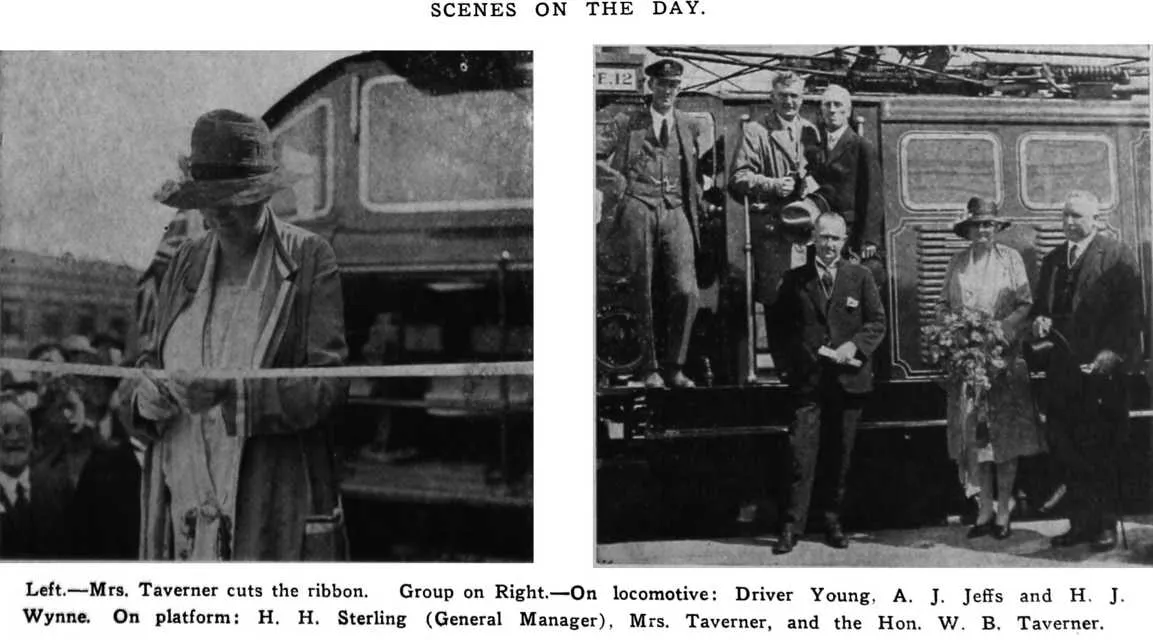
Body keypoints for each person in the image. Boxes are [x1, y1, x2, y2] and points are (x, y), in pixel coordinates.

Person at [122, 108, 349, 561]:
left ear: (263, 193)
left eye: (233, 197)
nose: (217, 212)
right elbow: (150, 361)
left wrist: (233, 394)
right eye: (206, 197)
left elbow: (329, 385)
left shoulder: (308, 259)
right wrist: (147, 395)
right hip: (184, 502)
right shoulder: (184, 261)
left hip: (264, 503)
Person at [1032, 191, 1142, 551]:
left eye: (1077, 216)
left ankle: (1104, 524)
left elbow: (1131, 313)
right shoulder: (1053, 260)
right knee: (1066, 446)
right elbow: (1040, 308)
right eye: (1065, 215)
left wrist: (1113, 353)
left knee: (1102, 447)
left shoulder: (1116, 255)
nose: (1069, 222)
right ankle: (1079, 523)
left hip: (1102, 371)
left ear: (1095, 218)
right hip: (1064, 372)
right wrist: (1040, 320)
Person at [596, 58, 716, 388]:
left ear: (679, 88)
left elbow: (700, 170)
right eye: (662, 85)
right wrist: (618, 184)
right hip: (638, 206)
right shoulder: (626, 121)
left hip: (676, 209)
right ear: (651, 86)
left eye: (673, 85)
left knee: (686, 290)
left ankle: (675, 366)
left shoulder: (688, 124)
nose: (667, 91)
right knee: (642, 287)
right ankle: (648, 367)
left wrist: (698, 195)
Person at [770, 212, 885, 553]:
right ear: (813, 239)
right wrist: (787, 368)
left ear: (844, 241)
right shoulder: (795, 280)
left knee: (840, 457)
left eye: (835, 238)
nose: (829, 244)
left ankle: (833, 523)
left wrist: (854, 346)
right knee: (800, 457)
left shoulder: (860, 277)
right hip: (809, 383)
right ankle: (792, 527)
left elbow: (876, 322)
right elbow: (779, 329)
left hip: (848, 382)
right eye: (824, 237)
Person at [939, 198, 1045, 540]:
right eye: (977, 225)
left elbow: (1025, 303)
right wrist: (956, 332)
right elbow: (944, 304)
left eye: (988, 224)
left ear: (996, 228)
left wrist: (999, 331)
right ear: (968, 230)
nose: (983, 230)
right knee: (977, 441)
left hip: (1003, 363)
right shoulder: (957, 262)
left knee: (1005, 441)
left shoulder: (1010, 260)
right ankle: (984, 509)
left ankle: (1003, 513)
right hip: (970, 367)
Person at [729, 72, 822, 309]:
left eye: (794, 96)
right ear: (772, 97)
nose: (789, 101)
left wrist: (810, 183)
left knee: (807, 301)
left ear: (802, 98)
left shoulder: (811, 131)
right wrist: (774, 184)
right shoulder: (755, 131)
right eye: (783, 96)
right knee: (777, 300)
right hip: (773, 230)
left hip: (807, 229)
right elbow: (739, 178)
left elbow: (820, 173)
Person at [808, 85, 882, 262]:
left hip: (849, 232)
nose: (832, 110)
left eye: (837, 104)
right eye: (827, 105)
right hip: (820, 229)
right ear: (822, 111)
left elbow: (873, 195)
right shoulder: (815, 146)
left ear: (848, 111)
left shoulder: (862, 146)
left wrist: (869, 239)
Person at [1, 399, 75, 557]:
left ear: (32, 436)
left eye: (21, 429)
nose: (14, 437)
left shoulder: (59, 488)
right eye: (5, 430)